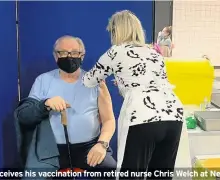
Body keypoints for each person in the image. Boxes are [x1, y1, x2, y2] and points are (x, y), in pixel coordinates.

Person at [82, 10, 183, 179]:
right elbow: (150, 82)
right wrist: (123, 83)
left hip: (143, 116)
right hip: (173, 115)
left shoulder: (116, 51)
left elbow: (89, 80)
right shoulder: (153, 53)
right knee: (160, 174)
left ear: (117, 31)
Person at [15, 35, 117, 177]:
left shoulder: (96, 82)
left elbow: (109, 120)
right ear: (55, 56)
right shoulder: (42, 81)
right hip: (50, 150)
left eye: (74, 52)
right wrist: (45, 104)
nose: (69, 57)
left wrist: (102, 144)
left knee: (111, 171)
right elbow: (24, 116)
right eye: (63, 52)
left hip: (89, 148)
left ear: (82, 56)